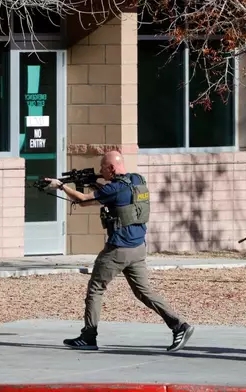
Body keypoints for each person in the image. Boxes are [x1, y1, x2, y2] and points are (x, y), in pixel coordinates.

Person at [43, 150, 194, 352]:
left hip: (118, 249)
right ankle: (179, 326)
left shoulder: (114, 188)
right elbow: (113, 197)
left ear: (111, 168)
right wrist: (94, 183)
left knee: (96, 288)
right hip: (138, 248)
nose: (100, 171)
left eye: (103, 168)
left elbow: (83, 200)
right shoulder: (137, 180)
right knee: (144, 292)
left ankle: (88, 336)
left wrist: (61, 186)